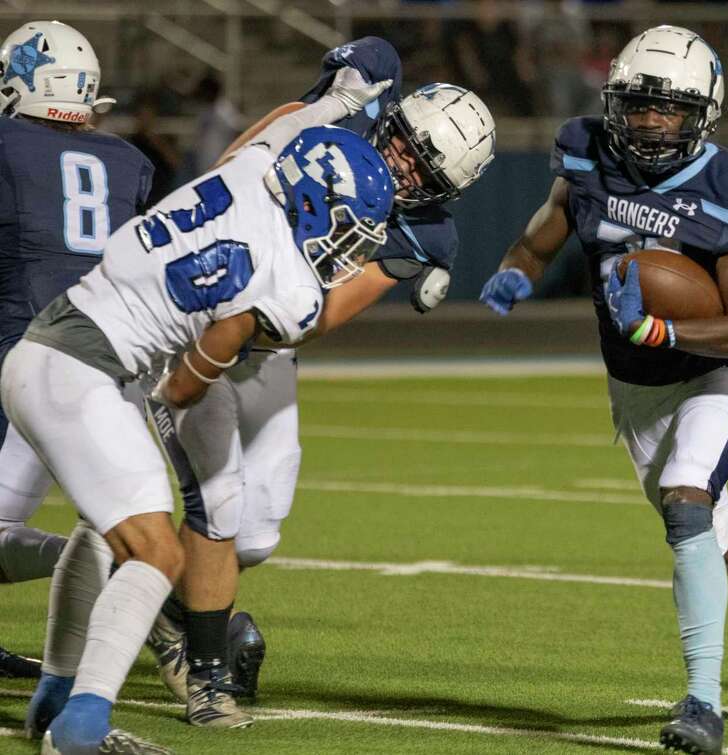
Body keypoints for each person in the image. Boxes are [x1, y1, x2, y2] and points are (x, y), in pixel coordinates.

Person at [479, 25, 728, 755]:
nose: (653, 122)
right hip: (634, 388)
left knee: (686, 504)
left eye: (671, 109)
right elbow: (541, 236)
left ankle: (703, 704)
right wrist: (516, 271)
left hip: (711, 374)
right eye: (639, 105)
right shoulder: (587, 153)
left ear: (704, 115)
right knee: (719, 544)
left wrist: (661, 330)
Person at [6, 68, 392, 753]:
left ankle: (56, 696)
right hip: (82, 370)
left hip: (47, 343)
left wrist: (334, 101)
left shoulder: (246, 173)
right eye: (344, 227)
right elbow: (193, 376)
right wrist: (179, 394)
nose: (347, 247)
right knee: (157, 551)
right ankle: (80, 726)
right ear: (314, 205)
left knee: (106, 531)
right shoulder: (293, 286)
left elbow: (284, 126)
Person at [141, 37, 495, 729]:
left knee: (257, 532)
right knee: (218, 499)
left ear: (445, 190)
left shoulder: (425, 234)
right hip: (198, 309)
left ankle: (169, 610)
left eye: (423, 170)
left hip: (270, 334)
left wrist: (260, 315)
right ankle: (199, 656)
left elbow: (318, 317)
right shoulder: (346, 115)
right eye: (404, 145)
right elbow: (233, 165)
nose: (401, 165)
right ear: (392, 120)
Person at [0, 19, 152, 680]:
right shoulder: (129, 162)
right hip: (112, 370)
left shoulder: (6, 144)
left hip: (23, 360)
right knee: (126, 524)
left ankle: (163, 605)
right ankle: (201, 639)